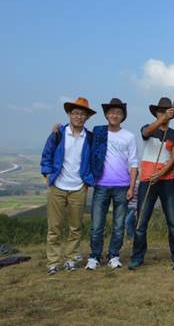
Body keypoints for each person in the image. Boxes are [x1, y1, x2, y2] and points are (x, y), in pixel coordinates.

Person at [40, 97, 96, 275]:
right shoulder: (58, 133)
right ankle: (53, 262)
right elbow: (46, 155)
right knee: (54, 227)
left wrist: (89, 180)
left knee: (75, 226)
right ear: (69, 114)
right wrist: (48, 174)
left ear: (87, 117)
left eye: (82, 114)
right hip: (57, 186)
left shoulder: (91, 137)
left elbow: (96, 160)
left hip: (78, 187)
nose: (79, 117)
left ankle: (71, 259)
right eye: (76, 113)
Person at [128, 97, 174, 270]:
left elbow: (173, 158)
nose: (164, 113)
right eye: (161, 111)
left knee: (173, 222)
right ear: (156, 113)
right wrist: (162, 118)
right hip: (146, 181)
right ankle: (137, 257)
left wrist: (160, 174)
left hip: (167, 181)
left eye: (167, 111)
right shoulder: (148, 128)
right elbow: (145, 133)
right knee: (141, 223)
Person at [86, 98, 138, 270]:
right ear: (106, 115)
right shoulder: (98, 132)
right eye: (112, 112)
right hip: (101, 184)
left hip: (122, 186)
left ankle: (113, 255)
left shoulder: (129, 136)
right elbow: (81, 137)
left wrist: (131, 187)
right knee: (97, 225)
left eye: (119, 113)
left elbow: (134, 163)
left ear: (123, 116)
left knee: (118, 225)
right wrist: (58, 129)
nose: (115, 115)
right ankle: (94, 256)